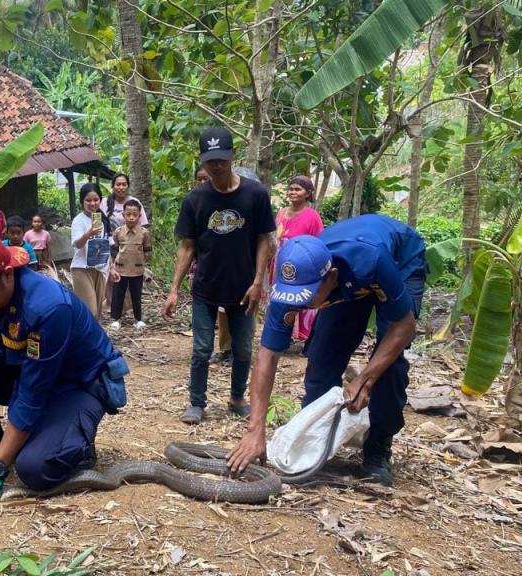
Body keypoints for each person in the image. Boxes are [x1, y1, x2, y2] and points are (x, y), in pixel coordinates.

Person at [0, 228, 128, 508]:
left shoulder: (47, 307)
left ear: (7, 274)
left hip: (77, 383)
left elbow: (32, 394)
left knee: (36, 469)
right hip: (26, 368)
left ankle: (77, 449)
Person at [226, 215, 428, 487]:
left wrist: (365, 379)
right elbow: (267, 357)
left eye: (307, 296)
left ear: (331, 278)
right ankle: (315, 439)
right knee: (322, 359)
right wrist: (255, 429)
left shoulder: (371, 259)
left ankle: (378, 448)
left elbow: (404, 327)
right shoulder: (291, 286)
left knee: (388, 363)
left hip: (397, 260)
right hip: (345, 284)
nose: (300, 305)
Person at [162, 128, 276, 425]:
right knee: (202, 349)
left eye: (221, 160)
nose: (216, 166)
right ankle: (196, 403)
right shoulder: (195, 199)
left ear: (232, 156)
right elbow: (187, 247)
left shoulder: (255, 194)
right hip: (206, 287)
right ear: (202, 160)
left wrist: (258, 283)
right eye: (210, 160)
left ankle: (237, 399)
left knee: (243, 349)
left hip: (244, 287)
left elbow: (265, 240)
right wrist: (173, 289)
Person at [272, 176, 324, 341]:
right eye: (291, 189)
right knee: (279, 299)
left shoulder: (312, 216)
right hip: (279, 264)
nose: (293, 192)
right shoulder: (281, 213)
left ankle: (299, 336)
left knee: (296, 300)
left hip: (300, 267)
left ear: (307, 193)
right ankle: (279, 335)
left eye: (297, 189)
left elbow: (318, 243)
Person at [191, 167, 232, 365]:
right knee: (216, 313)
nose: (202, 183)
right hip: (203, 268)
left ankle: (234, 350)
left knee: (230, 311)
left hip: (230, 268)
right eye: (198, 179)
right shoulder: (193, 202)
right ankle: (223, 348)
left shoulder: (228, 201)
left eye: (205, 179)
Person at [70, 183, 112, 318]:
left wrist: (112, 267)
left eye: (96, 199)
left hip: (99, 268)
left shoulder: (102, 220)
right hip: (81, 269)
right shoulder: (78, 220)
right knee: (90, 310)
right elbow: (77, 244)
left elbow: (106, 246)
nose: (92, 203)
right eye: (88, 200)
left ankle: (93, 332)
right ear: (82, 201)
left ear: (100, 200)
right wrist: (88, 234)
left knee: (97, 312)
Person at [109, 200, 151, 330]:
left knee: (136, 294)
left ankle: (138, 319)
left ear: (139, 216)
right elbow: (115, 250)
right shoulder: (118, 232)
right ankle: (116, 319)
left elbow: (147, 250)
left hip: (137, 270)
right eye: (128, 214)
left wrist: (142, 261)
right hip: (120, 269)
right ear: (123, 215)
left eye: (135, 214)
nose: (131, 217)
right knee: (118, 294)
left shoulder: (144, 233)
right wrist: (113, 266)